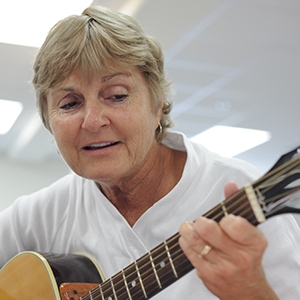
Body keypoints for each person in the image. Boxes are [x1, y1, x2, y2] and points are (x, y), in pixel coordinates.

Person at [0, 5, 300, 299]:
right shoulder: (44, 213)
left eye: (117, 96)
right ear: (48, 121)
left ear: (157, 104)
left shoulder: (239, 194)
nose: (93, 120)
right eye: (69, 104)